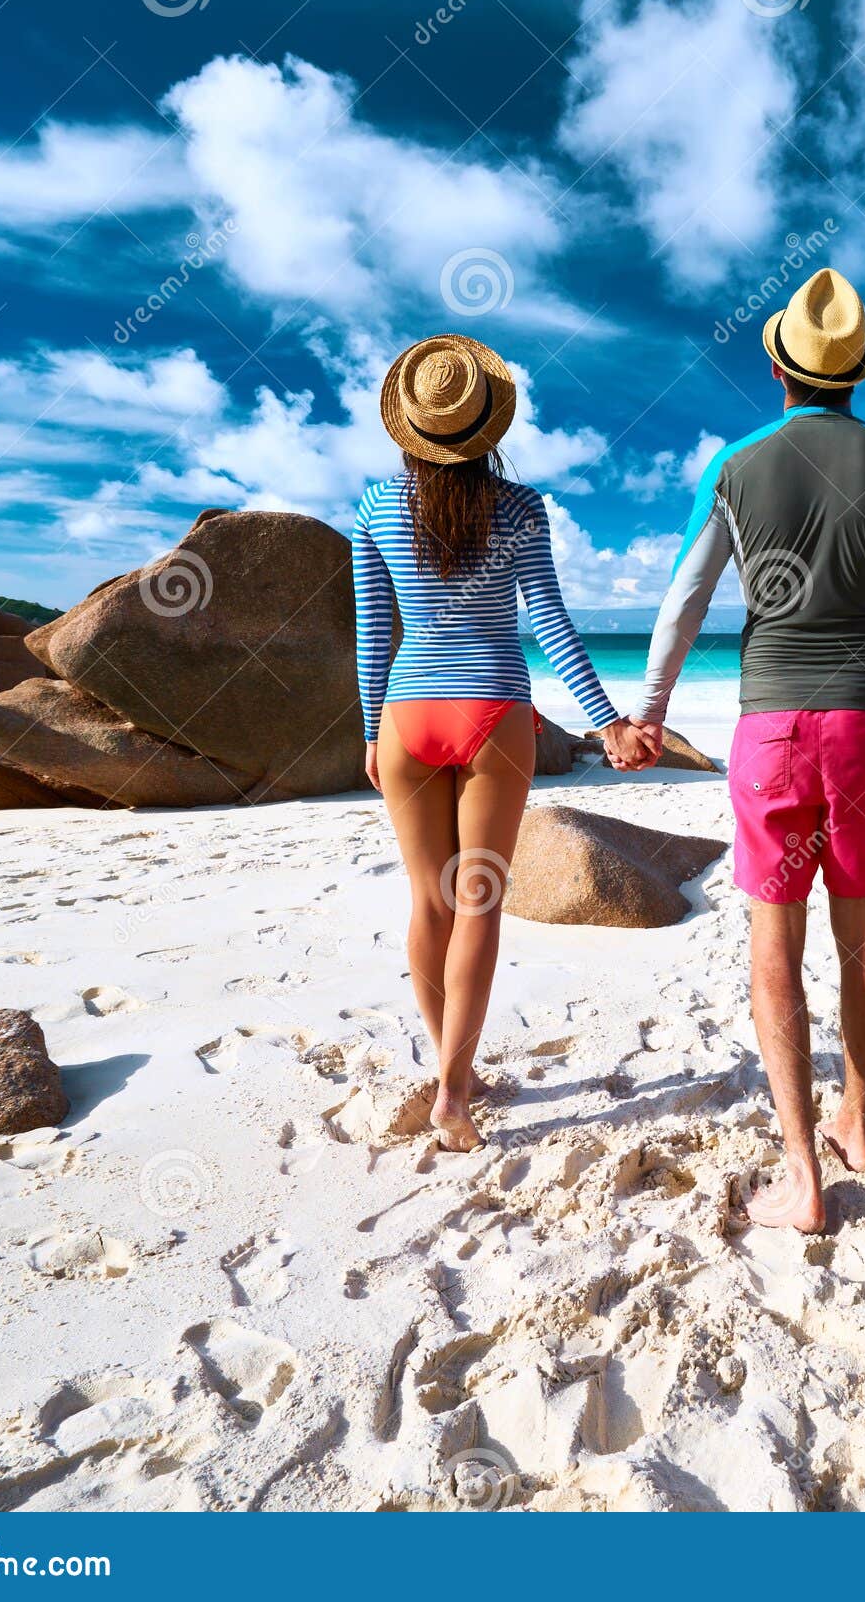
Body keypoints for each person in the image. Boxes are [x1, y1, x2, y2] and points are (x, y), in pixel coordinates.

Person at [629, 268, 865, 1232]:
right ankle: (856, 1115)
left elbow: (685, 598)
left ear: (778, 364)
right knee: (863, 935)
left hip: (770, 730)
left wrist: (649, 708)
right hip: (864, 726)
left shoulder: (736, 464)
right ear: (857, 373)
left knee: (775, 941)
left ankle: (803, 1172)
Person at [352, 334, 652, 1151]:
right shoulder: (521, 509)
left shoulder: (375, 508)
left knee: (428, 901)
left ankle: (455, 1070)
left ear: (409, 428)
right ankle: (454, 1087)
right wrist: (608, 721)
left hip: (410, 716)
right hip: (494, 711)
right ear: (487, 425)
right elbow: (549, 623)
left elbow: (373, 631)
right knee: (479, 899)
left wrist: (372, 727)